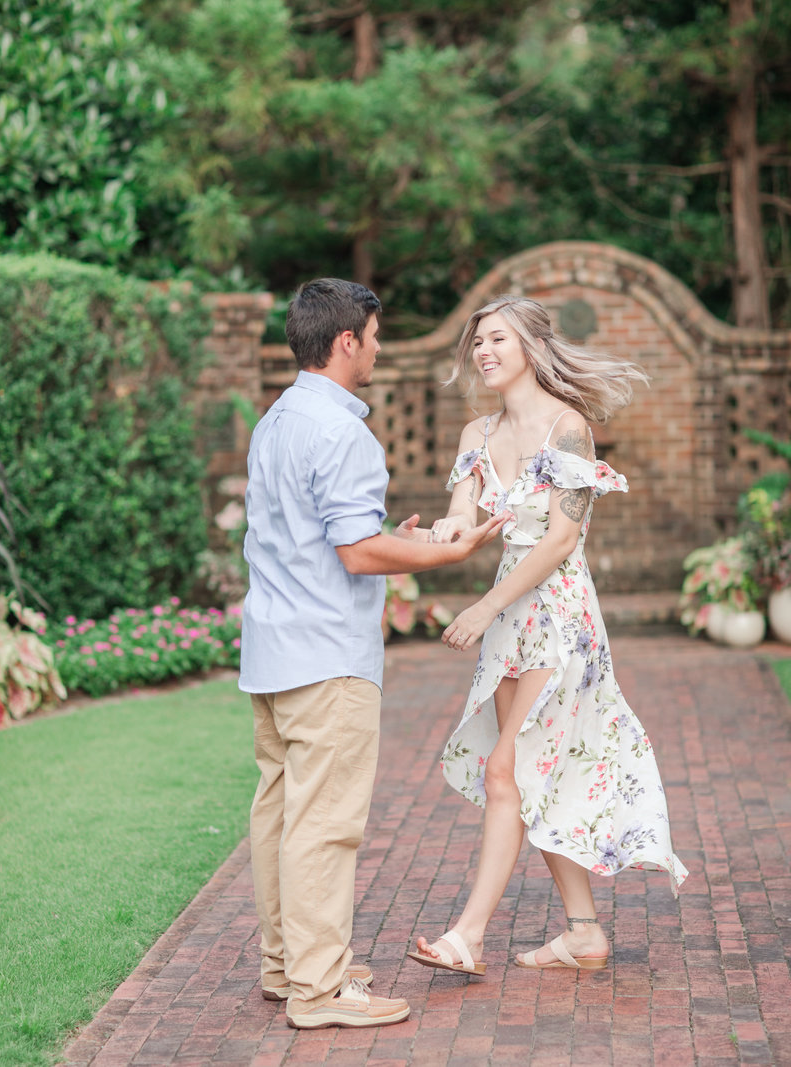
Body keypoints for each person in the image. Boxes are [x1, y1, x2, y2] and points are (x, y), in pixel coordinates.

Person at [239, 278, 511, 1029]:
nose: (381, 347)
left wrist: (407, 538)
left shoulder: (277, 420)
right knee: (325, 824)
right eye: (375, 334)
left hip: (273, 651)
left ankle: (288, 967)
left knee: (281, 816)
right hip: (327, 656)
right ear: (346, 341)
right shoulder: (343, 432)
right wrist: (443, 554)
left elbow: (323, 536)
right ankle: (320, 992)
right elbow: (358, 554)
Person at [407, 294, 688, 976]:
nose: (484, 351)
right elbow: (462, 510)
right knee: (529, 776)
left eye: (497, 338)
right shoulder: (478, 432)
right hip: (508, 619)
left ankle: (467, 935)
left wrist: (481, 606)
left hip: (558, 616)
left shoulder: (569, 429)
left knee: (507, 769)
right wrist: (445, 531)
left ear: (530, 346)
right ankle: (584, 930)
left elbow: (561, 538)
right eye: (477, 341)